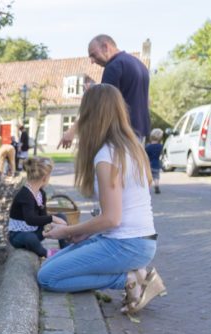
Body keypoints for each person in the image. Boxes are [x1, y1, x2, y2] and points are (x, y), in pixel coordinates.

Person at [39, 84, 166, 314]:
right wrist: (84, 231)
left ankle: (131, 279)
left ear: (91, 115)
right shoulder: (133, 148)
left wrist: (67, 231)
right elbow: (122, 212)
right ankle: (132, 275)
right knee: (49, 267)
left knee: (48, 278)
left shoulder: (106, 155)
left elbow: (112, 218)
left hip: (127, 245)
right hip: (135, 241)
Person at [60, 34, 150, 148]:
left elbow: (100, 106)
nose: (92, 61)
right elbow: (145, 100)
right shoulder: (140, 65)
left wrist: (72, 131)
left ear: (105, 47)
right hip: (140, 133)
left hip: (122, 134)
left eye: (93, 54)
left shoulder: (114, 66)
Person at [7, 157, 67, 258]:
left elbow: (42, 216)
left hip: (34, 231)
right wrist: (52, 218)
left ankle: (65, 248)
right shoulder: (25, 195)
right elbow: (30, 219)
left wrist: (51, 225)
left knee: (61, 217)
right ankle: (46, 253)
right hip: (19, 235)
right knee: (30, 238)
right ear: (44, 178)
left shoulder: (40, 193)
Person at [145, 128, 164, 194]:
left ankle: (148, 188)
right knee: (156, 176)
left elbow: (145, 155)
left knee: (148, 176)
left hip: (149, 164)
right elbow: (162, 155)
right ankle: (156, 186)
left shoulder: (148, 146)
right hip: (156, 163)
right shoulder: (160, 146)